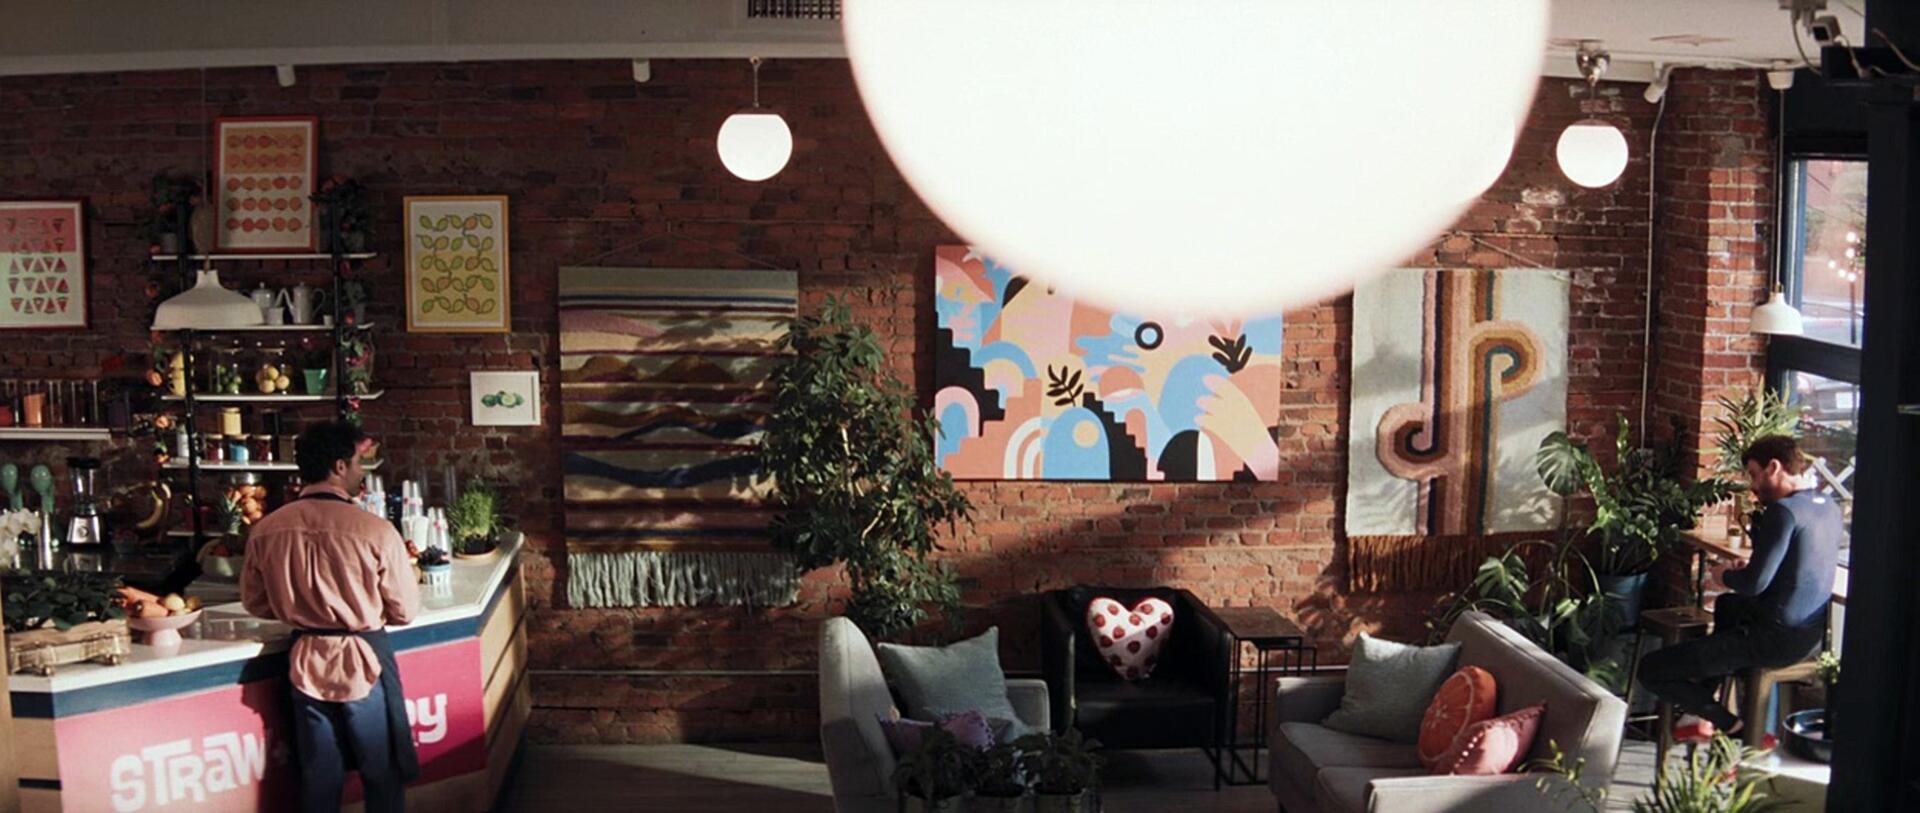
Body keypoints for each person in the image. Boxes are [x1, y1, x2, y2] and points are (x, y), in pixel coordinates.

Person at [241, 421, 421, 812]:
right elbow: (405, 610)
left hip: (305, 662)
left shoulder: (267, 529)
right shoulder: (375, 530)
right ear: (339, 466)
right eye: (358, 462)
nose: (361, 471)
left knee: (319, 776)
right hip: (363, 663)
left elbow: (255, 603)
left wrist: (300, 606)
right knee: (381, 773)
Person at [1638, 434, 1842, 741]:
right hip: (1809, 638)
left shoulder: (1783, 511)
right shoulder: (1827, 506)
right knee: (1728, 606)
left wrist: (1724, 576)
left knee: (1651, 669)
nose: (1753, 486)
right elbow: (1797, 568)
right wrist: (1748, 570)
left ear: (1774, 467)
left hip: (1771, 640)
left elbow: (1753, 585)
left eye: (1754, 475)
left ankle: (1732, 725)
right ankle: (1700, 710)